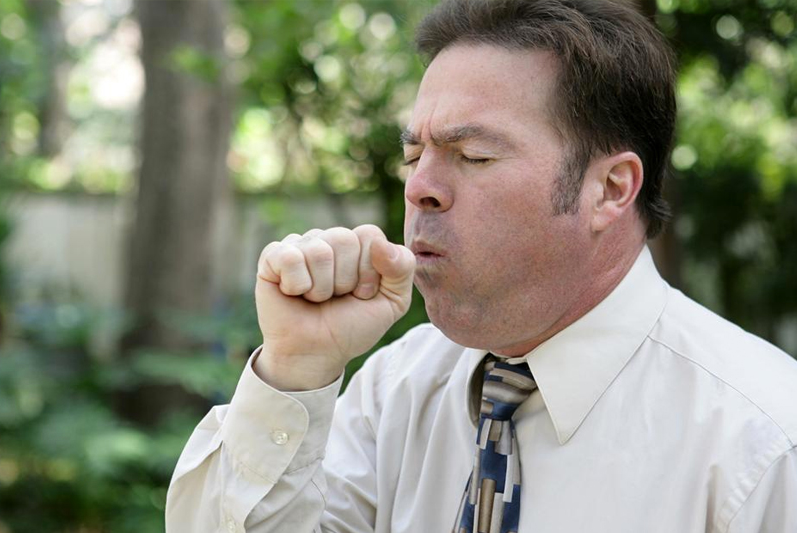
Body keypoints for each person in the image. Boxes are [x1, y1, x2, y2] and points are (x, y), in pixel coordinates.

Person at [165, 0, 797, 531]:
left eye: (472, 155)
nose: (420, 190)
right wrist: (297, 369)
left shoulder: (762, 443)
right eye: (415, 156)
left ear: (609, 189)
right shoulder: (396, 389)